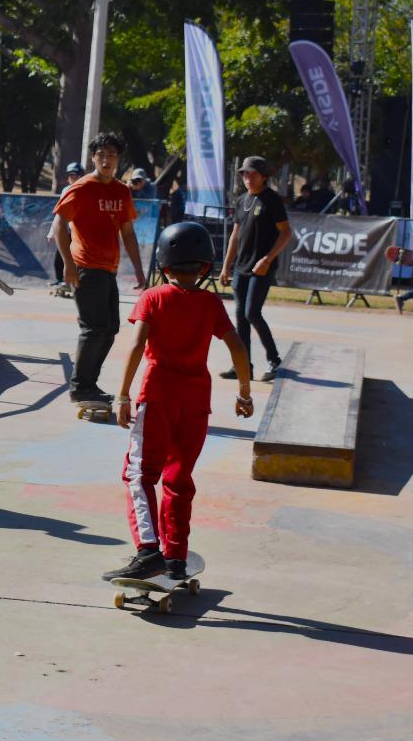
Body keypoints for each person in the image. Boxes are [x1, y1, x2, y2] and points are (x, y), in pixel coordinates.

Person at [103, 221, 254, 582]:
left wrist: (122, 394)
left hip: (157, 398)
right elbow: (237, 346)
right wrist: (244, 392)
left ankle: (148, 550)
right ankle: (176, 557)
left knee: (139, 475)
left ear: (164, 263)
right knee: (178, 478)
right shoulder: (211, 303)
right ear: (205, 267)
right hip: (196, 403)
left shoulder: (153, 297)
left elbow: (138, 345)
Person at [51, 132, 147, 406]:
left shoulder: (121, 191)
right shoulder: (80, 188)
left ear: (119, 160)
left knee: (110, 328)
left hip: (108, 268)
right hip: (85, 267)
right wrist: (68, 265)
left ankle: (89, 384)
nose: (106, 160)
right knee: (93, 328)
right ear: (93, 158)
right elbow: (59, 225)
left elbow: (127, 233)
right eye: (101, 155)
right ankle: (80, 387)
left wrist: (139, 271)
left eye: (112, 155)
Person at [217, 156, 290, 382]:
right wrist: (226, 267)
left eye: (252, 173)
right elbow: (235, 236)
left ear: (264, 176)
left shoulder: (272, 200)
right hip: (242, 267)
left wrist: (267, 259)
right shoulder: (242, 200)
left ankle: (274, 360)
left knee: (252, 313)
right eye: (244, 174)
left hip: (262, 267)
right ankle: (242, 365)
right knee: (240, 317)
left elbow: (286, 233)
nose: (247, 177)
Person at [47, 161, 84, 290]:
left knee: (74, 257)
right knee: (60, 256)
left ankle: (70, 281)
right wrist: (52, 233)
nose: (73, 178)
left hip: (77, 232)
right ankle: (59, 279)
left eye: (76, 175)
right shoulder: (65, 191)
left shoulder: (85, 190)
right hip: (64, 230)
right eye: (70, 176)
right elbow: (59, 215)